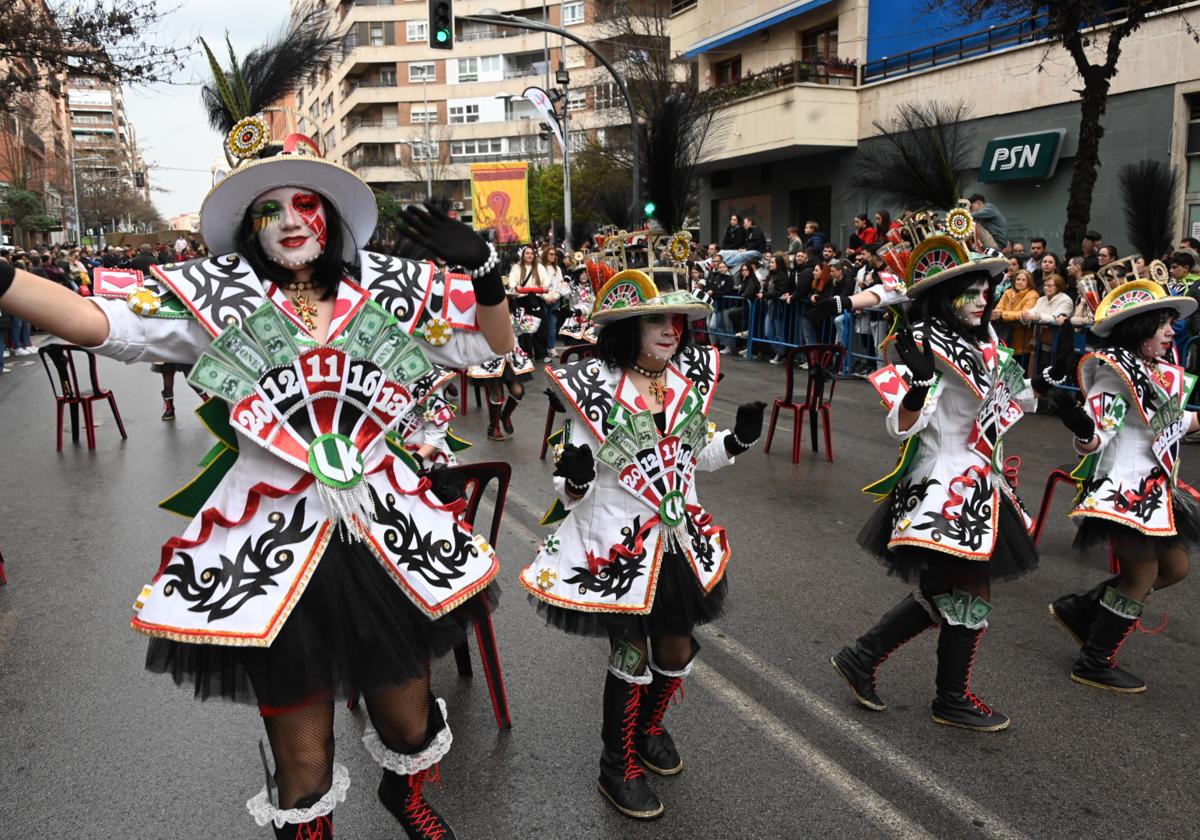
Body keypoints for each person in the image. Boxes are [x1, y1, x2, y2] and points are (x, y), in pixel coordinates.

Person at [0, 16, 517, 838]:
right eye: (267, 208)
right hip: (271, 547)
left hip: (385, 535)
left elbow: (495, 345)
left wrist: (487, 273)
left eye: (303, 202)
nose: (288, 220)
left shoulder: (387, 291)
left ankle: (405, 792)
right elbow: (101, 322)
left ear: (330, 216)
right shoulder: (216, 301)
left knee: (410, 723)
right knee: (303, 759)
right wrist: (4, 275)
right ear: (249, 228)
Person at [520, 268, 765, 820]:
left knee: (675, 652)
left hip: (675, 542)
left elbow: (693, 459)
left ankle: (650, 727)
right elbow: (570, 486)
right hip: (614, 545)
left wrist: (738, 440)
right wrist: (576, 476)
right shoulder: (594, 389)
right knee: (630, 653)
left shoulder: (682, 384)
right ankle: (617, 766)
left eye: (675, 320)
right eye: (655, 319)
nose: (670, 330)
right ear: (627, 327)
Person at [830, 209, 1066, 732]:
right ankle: (949, 697)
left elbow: (1018, 403)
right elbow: (901, 426)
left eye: (988, 287)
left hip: (984, 479)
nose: (986, 297)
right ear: (946, 292)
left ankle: (865, 656)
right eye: (973, 288)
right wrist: (916, 386)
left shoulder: (988, 343)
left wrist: (1048, 392)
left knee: (948, 589)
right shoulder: (923, 343)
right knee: (970, 591)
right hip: (944, 482)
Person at [1046, 277, 1200, 693]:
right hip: (1124, 491)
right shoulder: (1113, 372)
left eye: (1172, 323)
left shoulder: (1157, 370)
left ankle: (1083, 608)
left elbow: (1173, 422)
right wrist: (1080, 426)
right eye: (1164, 324)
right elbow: (1098, 434)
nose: (1173, 331)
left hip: (1156, 490)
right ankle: (1094, 660)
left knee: (1175, 568)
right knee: (1142, 574)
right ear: (1140, 327)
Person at [472, 243, 542, 440]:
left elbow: (528, 327)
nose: (504, 300)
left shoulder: (516, 311)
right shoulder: (482, 310)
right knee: (496, 393)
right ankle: (492, 428)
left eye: (506, 297)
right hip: (490, 356)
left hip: (511, 357)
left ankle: (505, 416)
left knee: (518, 391)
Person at [991, 269, 1039, 360]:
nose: (1020, 282)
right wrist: (997, 313)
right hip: (1004, 335)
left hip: (1021, 339)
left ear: (1029, 282)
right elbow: (998, 309)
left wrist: (1002, 315)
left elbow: (1024, 313)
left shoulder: (1032, 294)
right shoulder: (1007, 292)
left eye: (1023, 280)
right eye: (1018, 279)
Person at [760, 252, 795, 363]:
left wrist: (765, 295)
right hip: (770, 307)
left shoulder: (783, 277)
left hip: (778, 308)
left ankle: (780, 354)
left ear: (778, 264)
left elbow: (778, 292)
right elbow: (766, 288)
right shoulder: (770, 276)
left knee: (779, 333)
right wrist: (764, 293)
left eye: (772, 262)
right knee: (768, 332)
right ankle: (778, 352)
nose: (770, 264)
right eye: (770, 262)